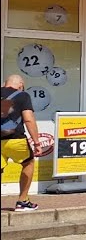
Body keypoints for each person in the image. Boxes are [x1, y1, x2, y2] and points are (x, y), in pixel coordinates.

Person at [2, 75, 41, 211]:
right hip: (15, 139)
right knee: (28, 163)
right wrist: (36, 143)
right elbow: (29, 119)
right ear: (20, 85)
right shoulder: (22, 95)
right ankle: (22, 201)